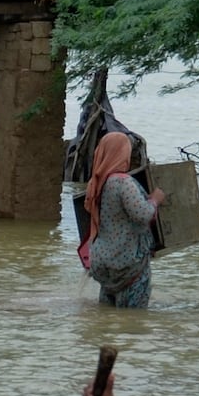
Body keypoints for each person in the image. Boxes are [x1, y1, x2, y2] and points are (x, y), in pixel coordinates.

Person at [78, 131, 167, 309]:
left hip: (103, 261)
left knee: (107, 318)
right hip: (127, 262)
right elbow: (142, 214)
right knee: (134, 324)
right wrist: (155, 199)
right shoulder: (122, 182)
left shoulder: (95, 184)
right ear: (122, 153)